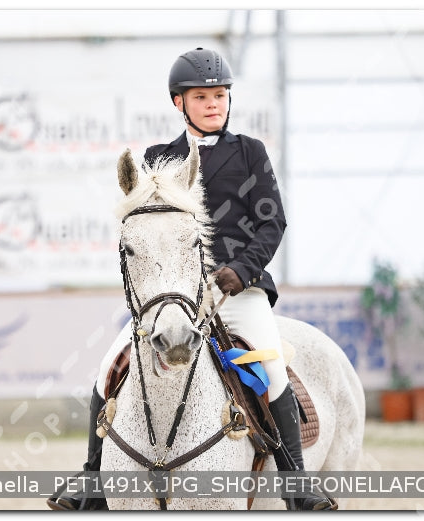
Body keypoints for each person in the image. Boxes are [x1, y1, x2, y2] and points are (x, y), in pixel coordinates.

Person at [48, 47, 333, 511]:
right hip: (175, 296)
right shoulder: (159, 158)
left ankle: (296, 483)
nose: (214, 104)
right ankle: (93, 480)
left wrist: (240, 272)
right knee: (107, 368)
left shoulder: (249, 153)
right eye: (202, 97)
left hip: (237, 292)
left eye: (220, 95)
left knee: (274, 371)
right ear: (179, 103)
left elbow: (272, 223)